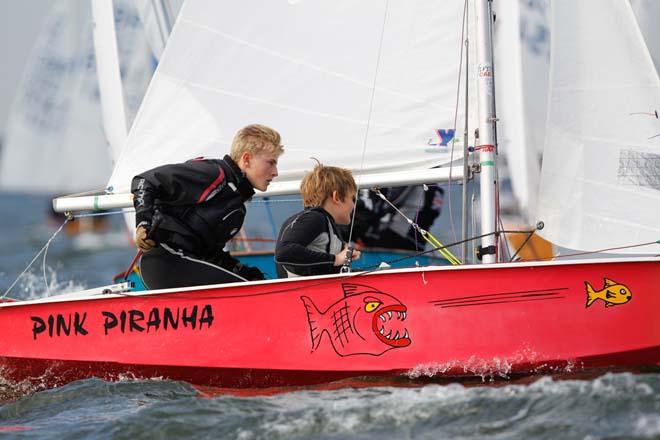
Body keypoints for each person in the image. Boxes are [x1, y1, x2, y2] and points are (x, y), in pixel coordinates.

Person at [131, 124, 284, 289]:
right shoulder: (213, 174)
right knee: (251, 293)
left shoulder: (236, 205)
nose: (275, 172)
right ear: (246, 159)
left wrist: (243, 272)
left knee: (254, 284)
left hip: (184, 263)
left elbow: (208, 254)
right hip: (165, 261)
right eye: (271, 163)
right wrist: (142, 223)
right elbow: (144, 181)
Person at [275, 161, 361, 278]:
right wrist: (336, 259)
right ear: (336, 197)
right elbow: (284, 252)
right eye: (352, 198)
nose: (353, 205)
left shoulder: (323, 223)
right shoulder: (315, 218)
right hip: (301, 295)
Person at [352, 184, 445, 251]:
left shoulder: (416, 179)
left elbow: (390, 203)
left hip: (395, 237)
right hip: (418, 243)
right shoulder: (438, 190)